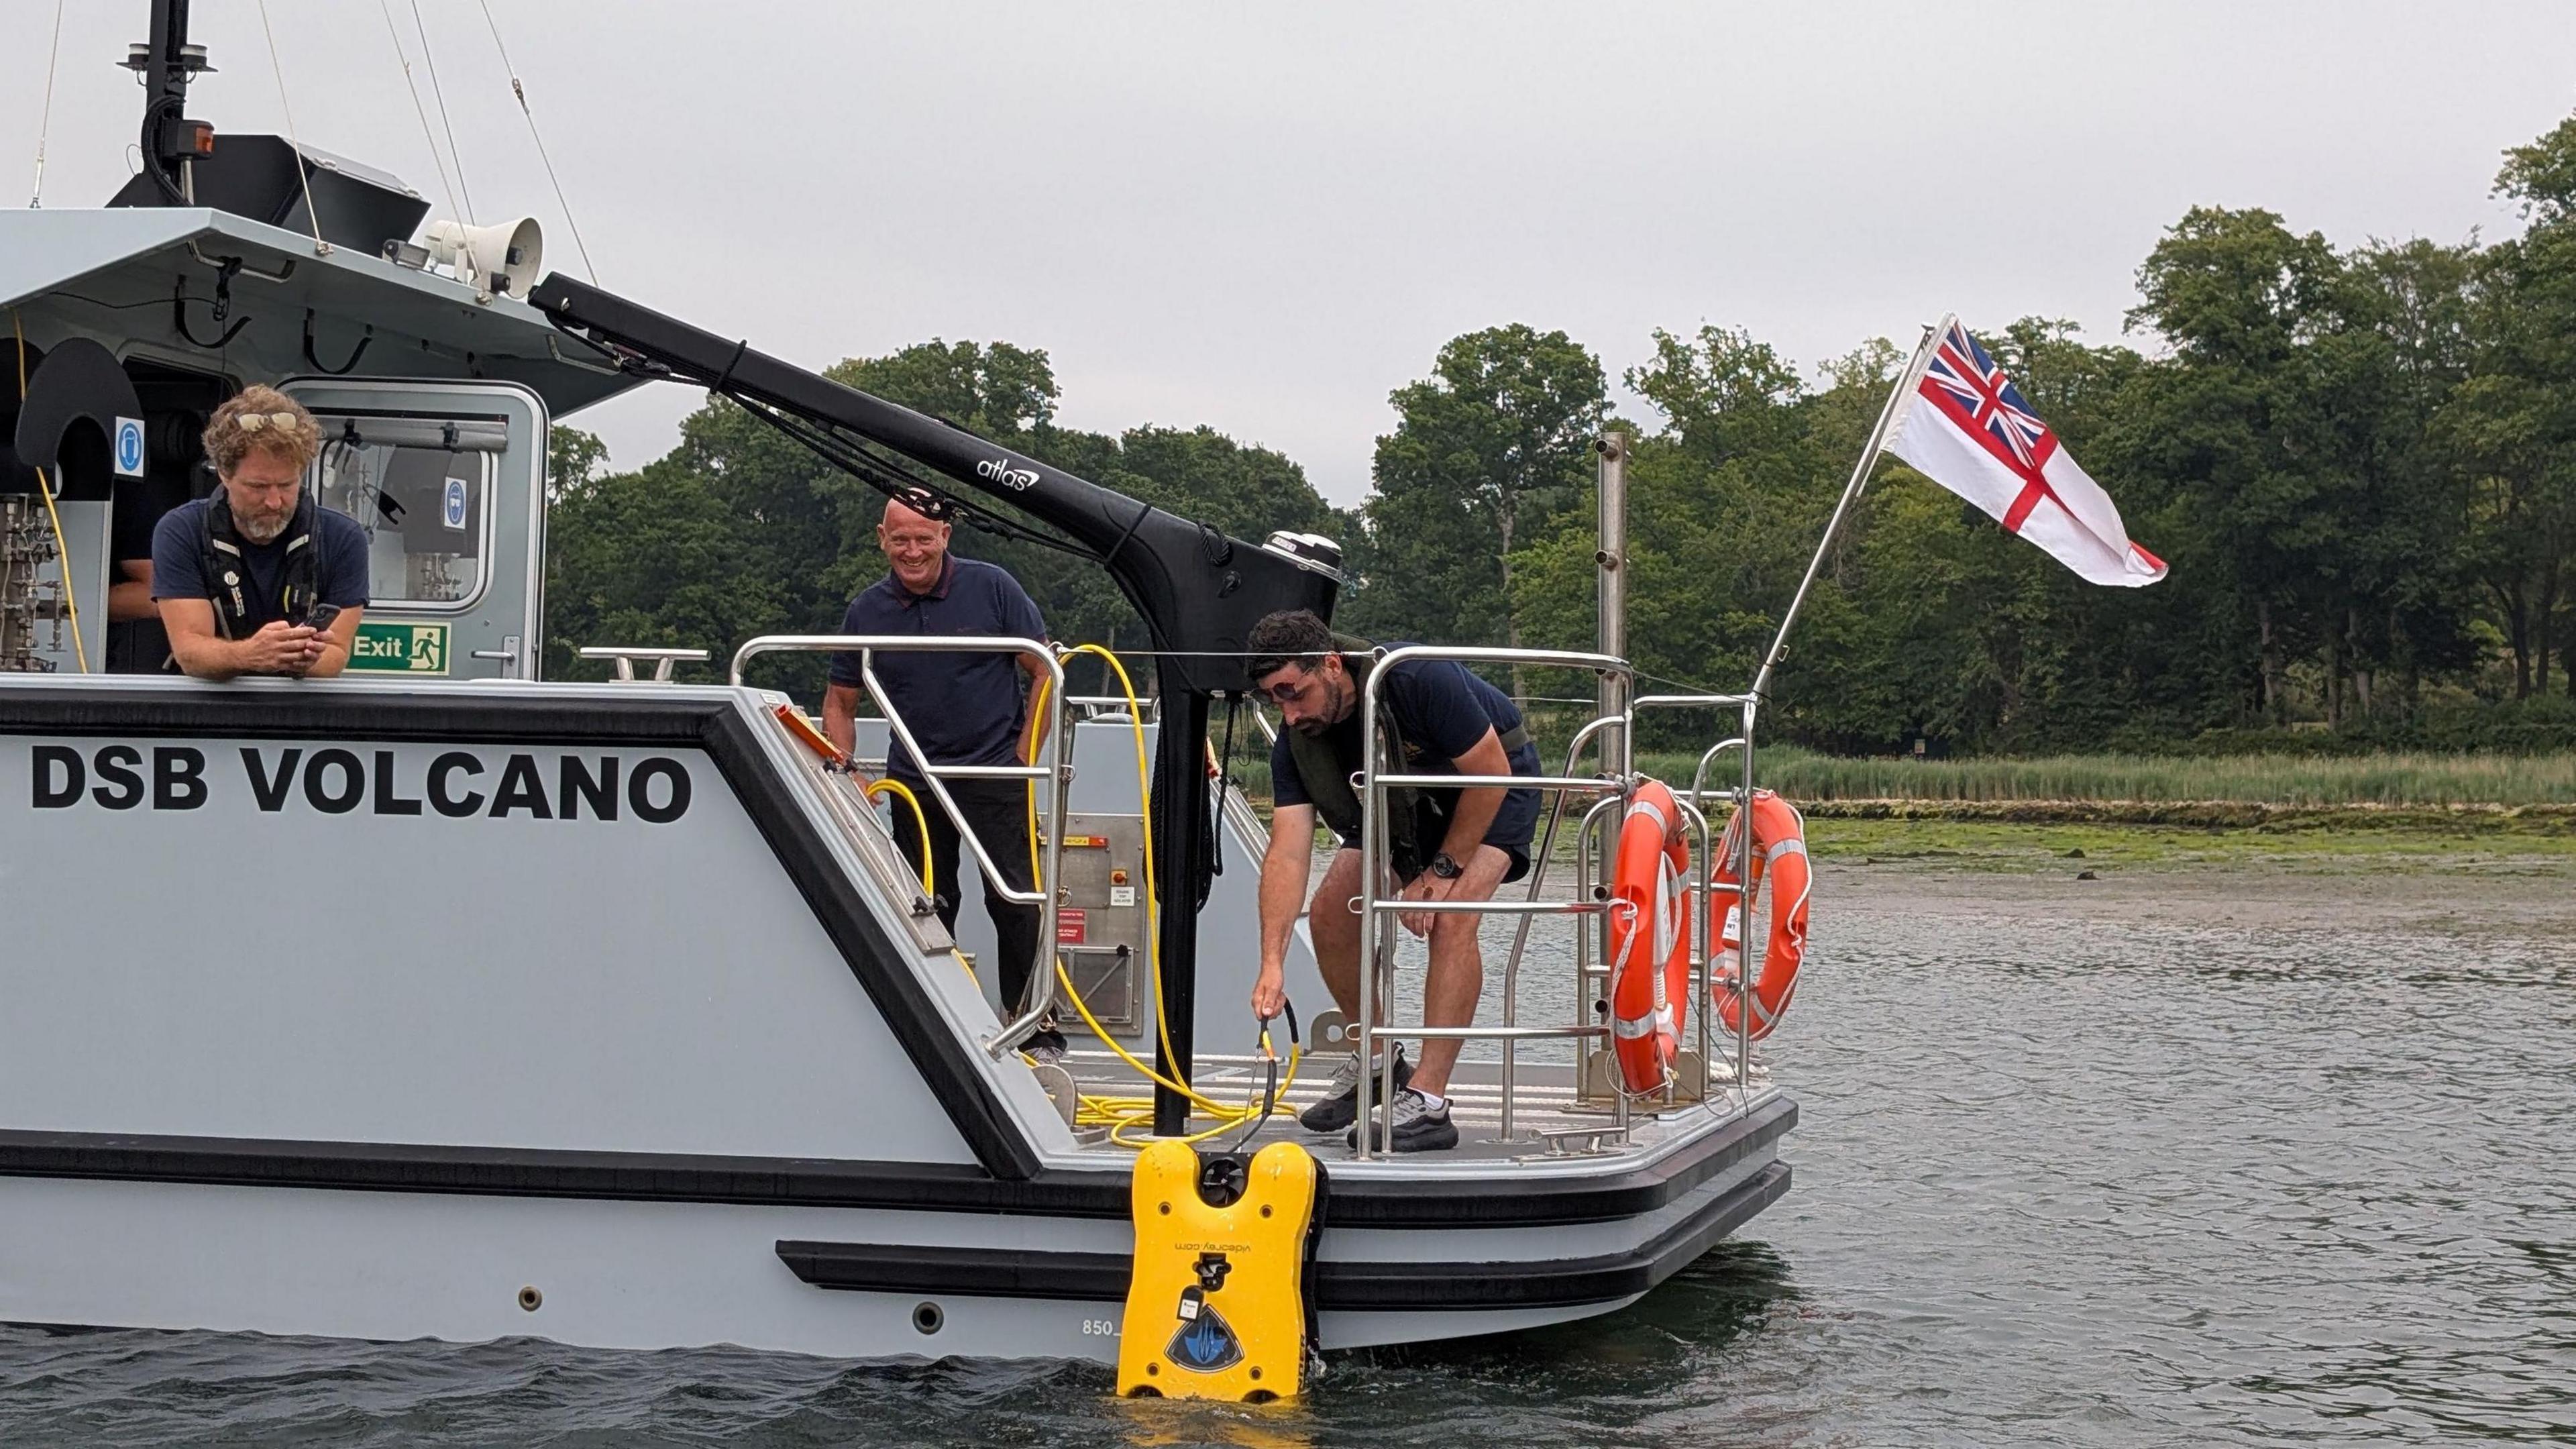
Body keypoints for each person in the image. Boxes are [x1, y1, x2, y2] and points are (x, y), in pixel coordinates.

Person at [1244, 609, 1544, 1152]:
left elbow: (1491, 773)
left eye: (1295, 692)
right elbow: (1287, 853)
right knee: (1333, 910)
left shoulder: (1417, 678)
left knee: (1451, 919)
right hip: (1401, 806)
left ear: (1332, 665)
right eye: (1274, 700)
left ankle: (1429, 1102)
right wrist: (1272, 961)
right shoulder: (1298, 740)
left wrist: (1442, 872)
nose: (1288, 714)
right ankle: (1379, 1058)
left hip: (1496, 786)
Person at [822, 489, 1064, 1061]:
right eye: (900, 539)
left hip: (994, 772)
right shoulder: (866, 611)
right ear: (882, 540)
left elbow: (1045, 671)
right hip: (915, 779)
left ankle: (1033, 1022)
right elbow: (839, 701)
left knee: (1017, 902)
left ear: (945, 537)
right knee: (929, 901)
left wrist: (1026, 756)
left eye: (923, 539)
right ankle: (939, 1019)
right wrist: (848, 769)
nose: (912, 551)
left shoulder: (994, 588)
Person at [152, 386, 367, 680]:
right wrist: (253, 654)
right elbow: (189, 652)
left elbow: (337, 654)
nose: (274, 502)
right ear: (224, 475)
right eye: (258, 487)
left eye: (288, 485)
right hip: (207, 712)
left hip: (303, 711)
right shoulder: (181, 530)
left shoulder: (344, 538)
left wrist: (302, 660)